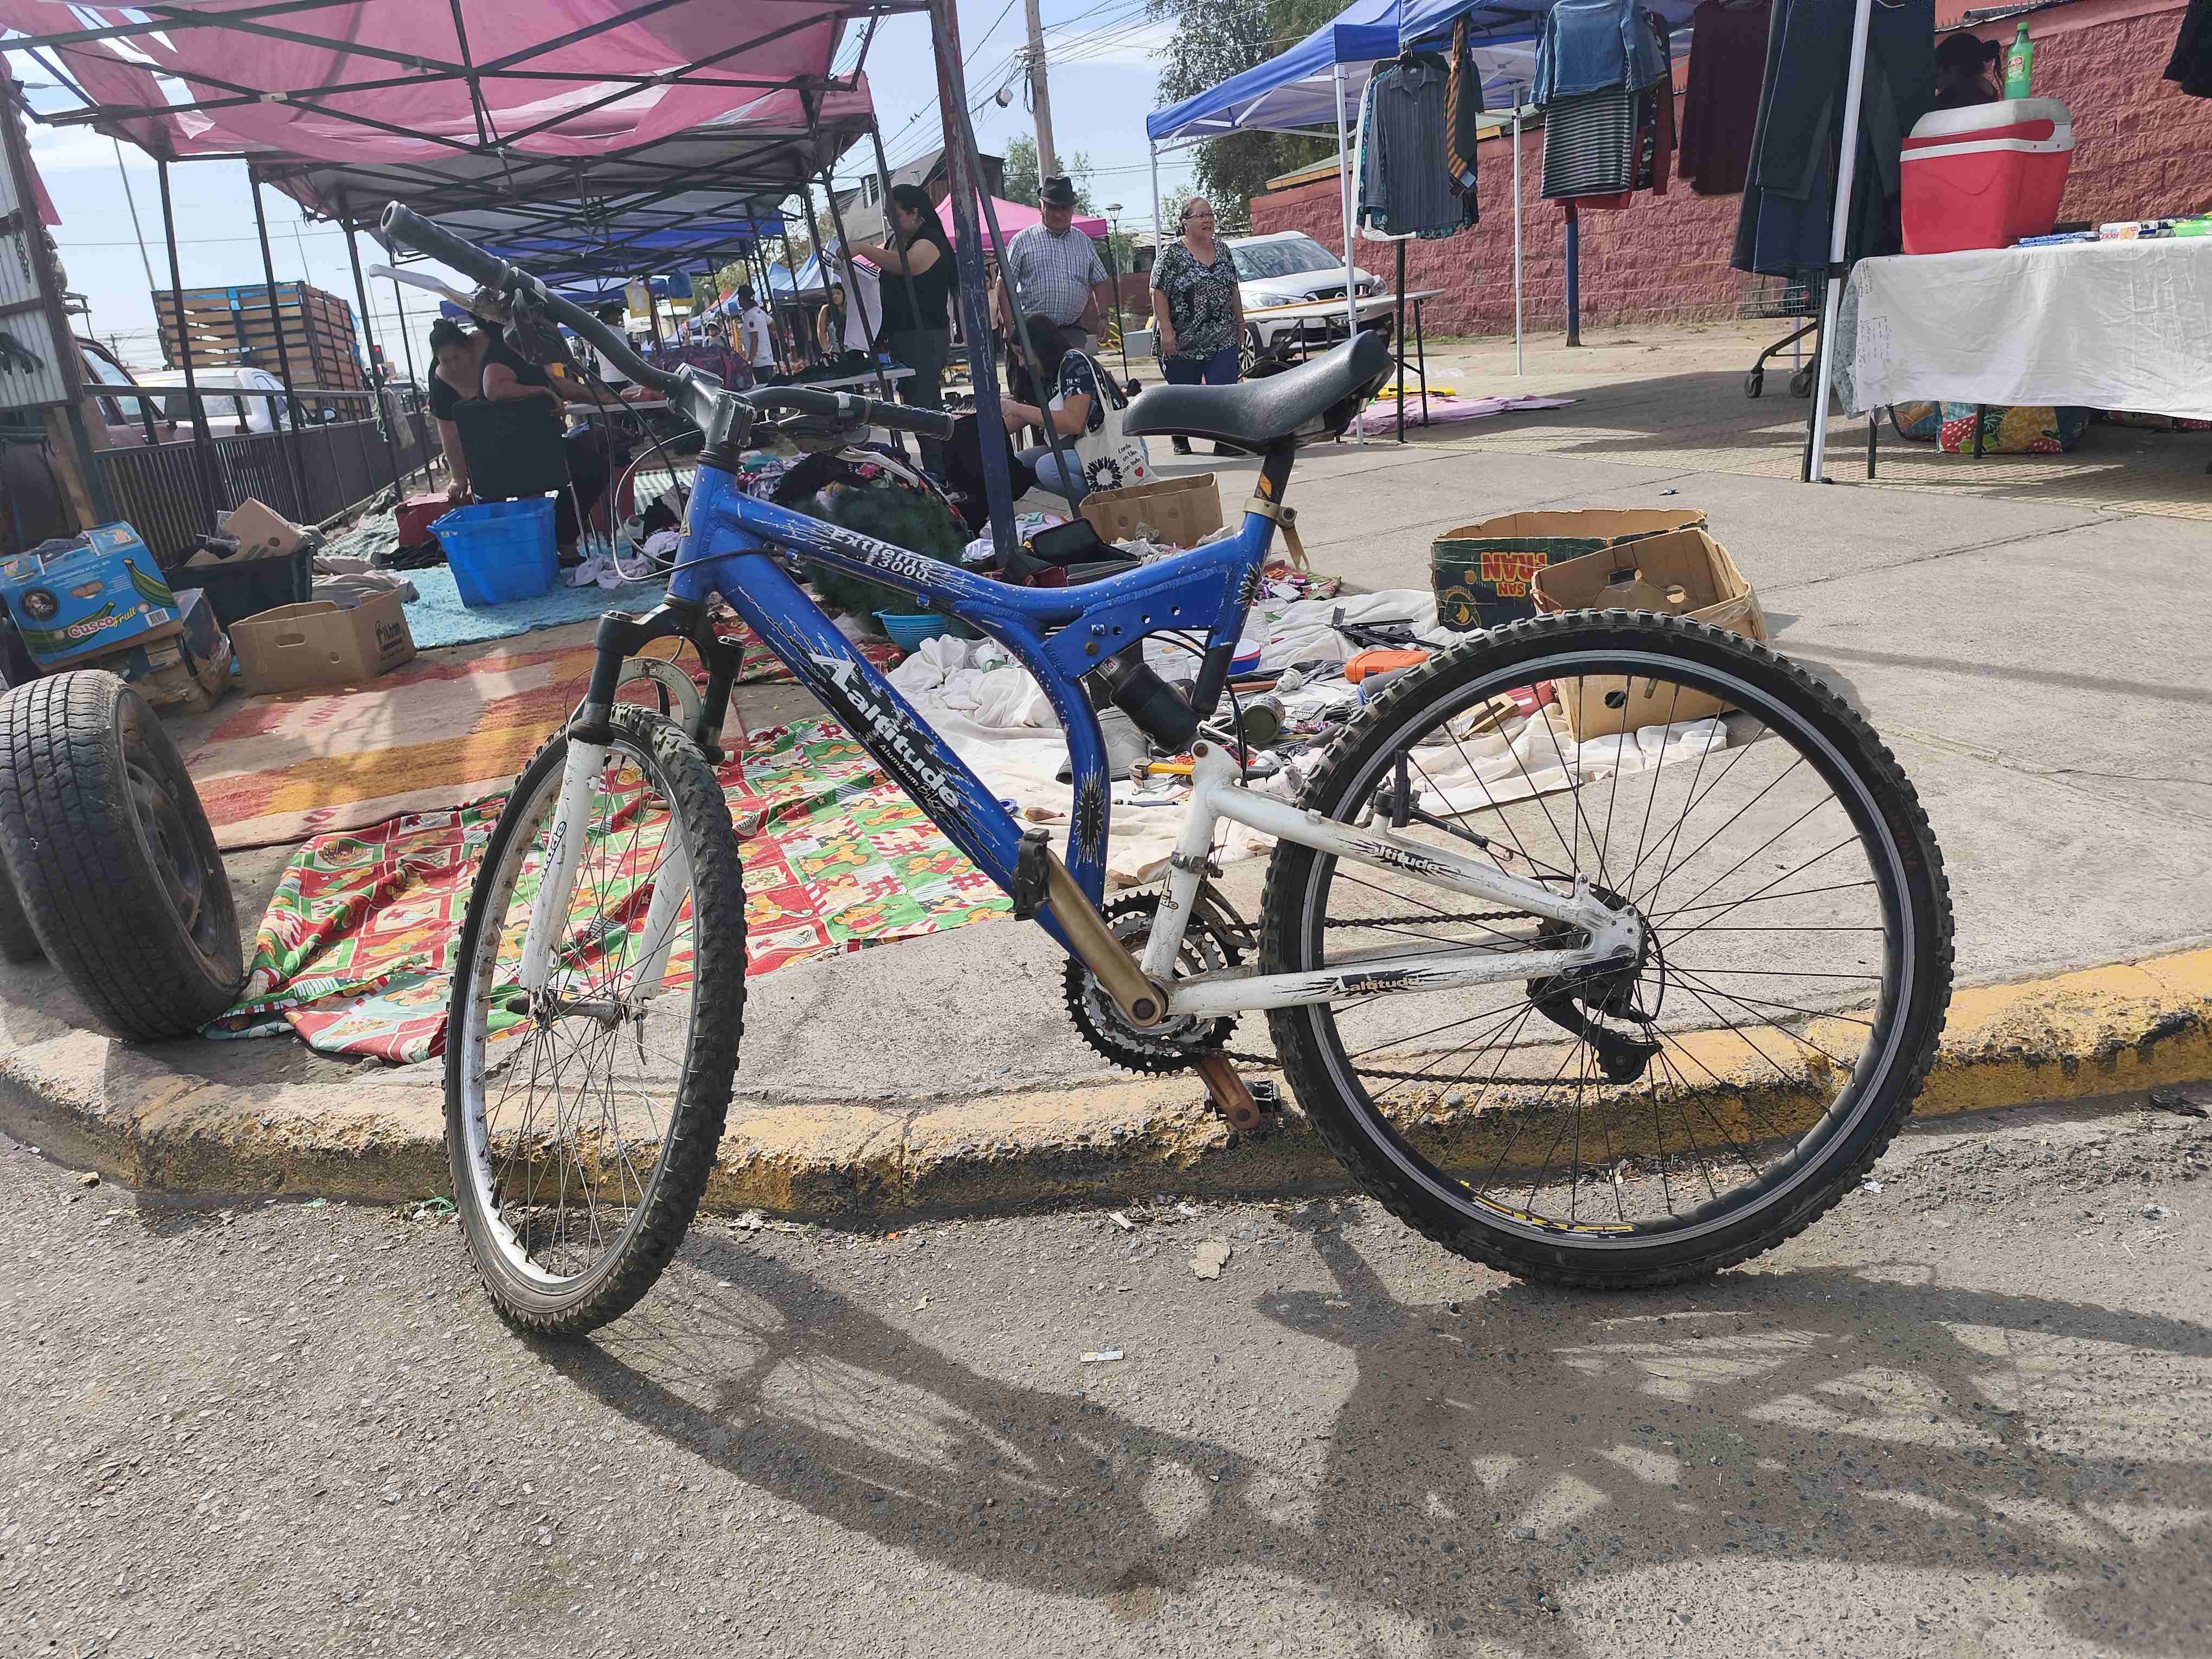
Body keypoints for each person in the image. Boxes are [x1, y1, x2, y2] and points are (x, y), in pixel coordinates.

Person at [427, 314, 608, 564]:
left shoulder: (505, 344)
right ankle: (514, 560)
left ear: (469, 346)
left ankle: (563, 542)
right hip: (486, 457)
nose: (453, 366)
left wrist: (602, 398)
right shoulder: (441, 379)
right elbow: (448, 429)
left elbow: (556, 384)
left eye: (456, 358)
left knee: (591, 470)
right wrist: (459, 477)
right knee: (495, 502)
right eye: (446, 362)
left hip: (536, 443)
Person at [847, 183, 958, 466]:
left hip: (925, 337)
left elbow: (907, 265)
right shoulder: (894, 242)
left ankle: (940, 471)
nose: (889, 221)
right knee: (912, 405)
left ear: (913, 213)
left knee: (924, 408)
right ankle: (934, 466)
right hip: (899, 337)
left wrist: (862, 249)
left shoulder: (930, 241)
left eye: (892, 215)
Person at [998, 314, 1151, 505]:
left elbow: (1073, 423)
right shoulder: (1047, 373)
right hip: (1086, 448)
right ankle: (1092, 499)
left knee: (1049, 467)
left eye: (1022, 354)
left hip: (1114, 449)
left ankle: (1100, 505)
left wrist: (1018, 408)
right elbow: (1028, 416)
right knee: (1022, 463)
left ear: (1040, 347)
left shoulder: (1074, 362)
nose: (1021, 364)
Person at [1147, 195, 1245, 456]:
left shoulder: (1223, 250)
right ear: (1185, 223)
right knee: (1183, 393)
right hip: (1183, 338)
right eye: (1200, 215)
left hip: (1222, 333)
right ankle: (1180, 435)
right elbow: (1157, 291)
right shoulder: (1171, 255)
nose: (1207, 220)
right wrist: (1166, 331)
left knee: (1224, 387)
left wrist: (1240, 320)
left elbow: (1232, 286)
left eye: (1210, 215)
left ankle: (1225, 440)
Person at [993, 174, 1107, 355]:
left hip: (1072, 331)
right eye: (1052, 207)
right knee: (1034, 383)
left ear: (1072, 209)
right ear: (1041, 207)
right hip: (1032, 333)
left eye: (1064, 208)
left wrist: (1104, 317)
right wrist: (1011, 328)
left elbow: (1099, 281)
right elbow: (1004, 285)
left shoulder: (1083, 241)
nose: (1058, 214)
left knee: (1073, 378)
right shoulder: (1022, 241)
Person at [1931, 31, 2002, 110]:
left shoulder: (1948, 100)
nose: (1935, 84)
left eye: (1937, 73)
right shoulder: (1987, 90)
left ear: (1954, 69)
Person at [736, 286, 776, 380]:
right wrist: (764, 333)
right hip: (768, 359)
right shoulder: (760, 312)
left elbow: (755, 339)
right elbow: (773, 325)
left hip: (759, 362)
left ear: (742, 299)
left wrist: (750, 361)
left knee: (764, 390)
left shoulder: (750, 316)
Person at [815, 281, 848, 360]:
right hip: (836, 353)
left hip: (854, 350)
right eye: (833, 294)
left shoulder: (849, 308)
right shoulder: (826, 309)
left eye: (838, 293)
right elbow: (821, 332)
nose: (835, 296)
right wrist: (826, 351)